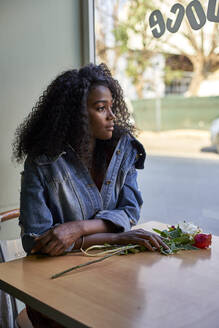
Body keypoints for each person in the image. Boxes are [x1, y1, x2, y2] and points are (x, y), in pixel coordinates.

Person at [13, 63, 168, 327]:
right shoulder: (41, 162)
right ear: (77, 116)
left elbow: (130, 211)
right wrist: (117, 237)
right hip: (55, 285)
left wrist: (77, 229)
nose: (111, 116)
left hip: (111, 274)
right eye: (100, 108)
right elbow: (37, 240)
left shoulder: (124, 150)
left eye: (111, 106)